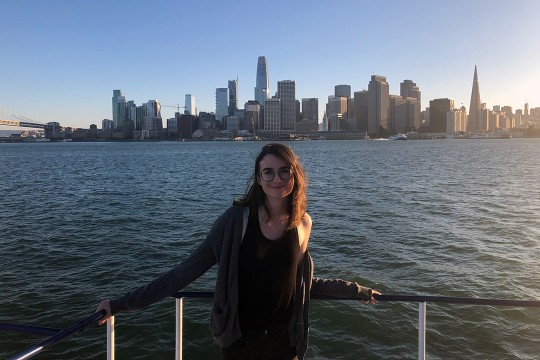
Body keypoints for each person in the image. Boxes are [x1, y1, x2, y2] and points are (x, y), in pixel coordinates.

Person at [96, 143, 379, 360]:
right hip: (241, 341)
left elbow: (300, 283)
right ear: (258, 178)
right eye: (268, 171)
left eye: (284, 170)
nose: (277, 178)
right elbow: (187, 270)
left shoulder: (303, 224)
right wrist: (121, 304)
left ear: (295, 175)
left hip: (287, 339)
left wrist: (356, 290)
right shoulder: (236, 220)